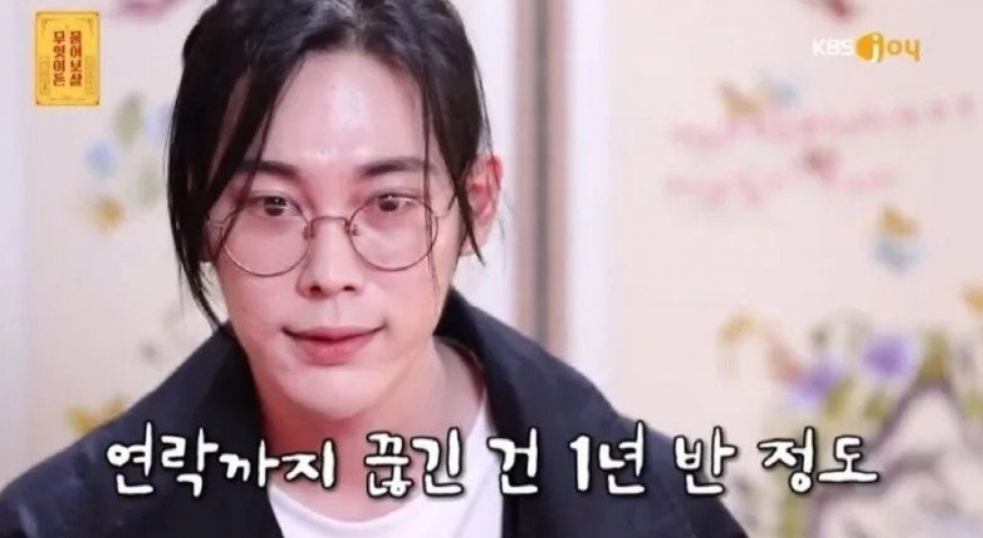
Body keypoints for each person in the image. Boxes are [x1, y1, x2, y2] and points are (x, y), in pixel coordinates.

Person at [0, 1, 748, 537]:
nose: (330, 273)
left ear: (475, 204)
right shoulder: (60, 522)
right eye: (272, 205)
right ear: (201, 212)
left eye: (389, 203)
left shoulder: (659, 507)